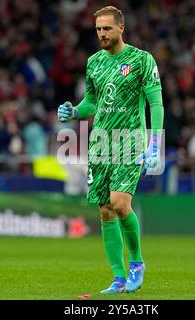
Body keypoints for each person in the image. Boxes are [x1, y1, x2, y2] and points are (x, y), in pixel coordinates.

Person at [57, 6, 164, 294]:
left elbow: (156, 103)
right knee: (105, 211)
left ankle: (137, 263)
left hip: (131, 141)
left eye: (107, 28)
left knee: (119, 204)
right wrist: (74, 111)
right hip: (100, 143)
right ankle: (118, 277)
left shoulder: (141, 60)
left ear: (121, 28)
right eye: (98, 30)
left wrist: (156, 143)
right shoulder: (93, 63)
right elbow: (92, 103)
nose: (102, 34)